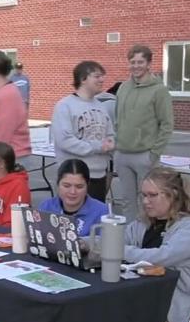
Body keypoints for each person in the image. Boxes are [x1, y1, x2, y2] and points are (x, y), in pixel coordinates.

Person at [124, 167, 190, 322]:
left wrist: (115, 250)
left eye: (152, 195)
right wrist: (83, 242)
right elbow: (116, 239)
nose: (146, 201)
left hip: (171, 303)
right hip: (137, 295)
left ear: (173, 195)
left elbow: (162, 257)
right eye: (143, 195)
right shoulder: (143, 223)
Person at [114, 45, 174, 222]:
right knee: (127, 201)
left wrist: (154, 153)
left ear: (149, 64)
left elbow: (166, 124)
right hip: (122, 154)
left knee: (148, 202)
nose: (136, 66)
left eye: (140, 62)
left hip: (145, 155)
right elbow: (117, 119)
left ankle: (147, 238)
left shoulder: (159, 90)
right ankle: (131, 239)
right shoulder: (123, 88)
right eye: (132, 62)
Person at [51, 61, 116, 203]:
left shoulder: (101, 106)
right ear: (83, 79)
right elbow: (65, 141)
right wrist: (98, 147)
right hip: (74, 178)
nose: (102, 80)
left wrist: (111, 144)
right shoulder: (65, 106)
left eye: (102, 76)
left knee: (94, 221)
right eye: (97, 76)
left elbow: (110, 135)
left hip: (99, 176)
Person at [39, 159, 109, 237]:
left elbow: (109, 243)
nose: (72, 192)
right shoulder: (46, 207)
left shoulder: (102, 212)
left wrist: (87, 243)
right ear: (58, 184)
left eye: (79, 187)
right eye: (66, 186)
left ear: (87, 186)